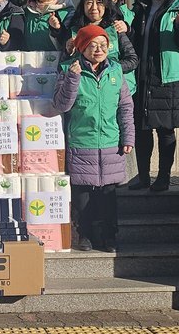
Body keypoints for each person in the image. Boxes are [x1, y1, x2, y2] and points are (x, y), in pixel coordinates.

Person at [52, 23, 135, 252]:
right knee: (83, 196)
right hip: (82, 142)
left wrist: (128, 137)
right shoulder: (69, 68)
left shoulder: (115, 71)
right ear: (81, 47)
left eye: (103, 45)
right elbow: (61, 105)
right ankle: (84, 234)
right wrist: (73, 78)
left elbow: (125, 107)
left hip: (110, 142)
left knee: (108, 195)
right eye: (92, 45)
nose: (98, 49)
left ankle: (109, 236)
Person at [128, 0, 179, 193]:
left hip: (168, 78)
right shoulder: (140, 7)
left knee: (165, 130)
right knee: (141, 129)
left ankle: (164, 177)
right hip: (141, 76)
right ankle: (143, 177)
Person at [68, 0, 138, 94]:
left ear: (106, 5)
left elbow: (132, 60)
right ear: (83, 5)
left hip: (114, 91)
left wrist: (107, 68)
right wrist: (68, 52)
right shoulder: (74, 31)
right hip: (85, 92)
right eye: (89, 2)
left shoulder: (115, 29)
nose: (94, 7)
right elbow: (64, 64)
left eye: (99, 3)